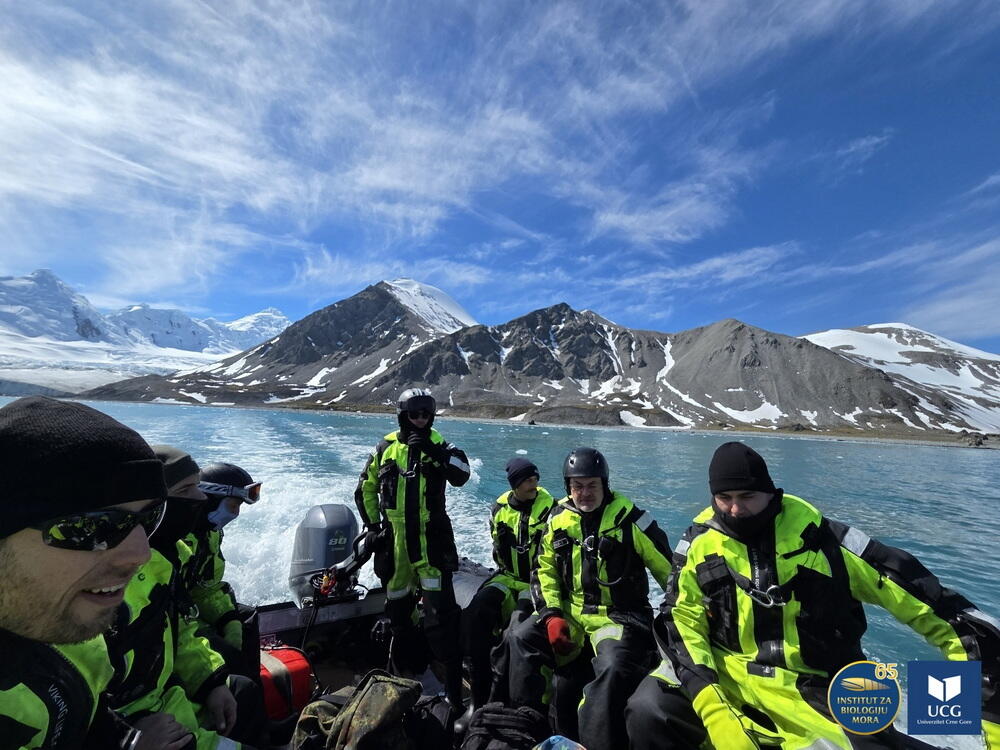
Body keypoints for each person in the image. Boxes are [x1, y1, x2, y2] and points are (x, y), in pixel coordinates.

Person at [625, 441, 1000, 750]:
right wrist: (712, 705)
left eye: (747, 496)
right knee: (647, 709)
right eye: (724, 498)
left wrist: (988, 721)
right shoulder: (698, 544)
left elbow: (947, 619)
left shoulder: (830, 544)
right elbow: (680, 618)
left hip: (821, 687)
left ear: (771, 493)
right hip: (726, 677)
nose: (735, 510)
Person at [0, 396, 193, 749]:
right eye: (91, 528)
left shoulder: (67, 626)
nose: (141, 555)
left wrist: (124, 741)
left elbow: (80, 713)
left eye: (149, 518)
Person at [503, 447, 673, 750]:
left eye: (592, 485)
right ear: (568, 488)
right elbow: (544, 571)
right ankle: (526, 723)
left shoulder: (631, 520)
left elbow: (670, 573)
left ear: (604, 484)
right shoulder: (558, 519)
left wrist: (678, 619)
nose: (584, 493)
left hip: (619, 616)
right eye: (577, 486)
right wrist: (552, 614)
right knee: (521, 636)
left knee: (611, 666)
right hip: (570, 612)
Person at [106, 445, 262, 749]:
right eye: (189, 489)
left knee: (243, 680)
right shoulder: (107, 584)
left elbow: (197, 597)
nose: (200, 498)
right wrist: (123, 738)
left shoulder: (171, 555)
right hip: (144, 723)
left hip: (169, 696)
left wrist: (212, 681)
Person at [354, 388, 471, 712]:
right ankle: (407, 675)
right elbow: (365, 488)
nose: (420, 420)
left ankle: (452, 693)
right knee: (398, 613)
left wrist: (434, 451)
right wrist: (375, 527)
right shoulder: (385, 447)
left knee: (442, 618)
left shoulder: (443, 446)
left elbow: (462, 474)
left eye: (426, 414)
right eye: (414, 414)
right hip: (396, 545)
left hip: (431, 543)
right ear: (403, 415)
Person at [461, 457, 555, 709]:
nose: (533, 485)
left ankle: (521, 702)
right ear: (515, 484)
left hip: (534, 583)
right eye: (528, 481)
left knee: (517, 631)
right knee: (475, 614)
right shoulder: (499, 509)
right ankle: (479, 699)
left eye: (535, 479)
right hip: (506, 577)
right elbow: (496, 549)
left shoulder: (552, 510)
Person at [188, 462, 263, 678]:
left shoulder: (210, 533)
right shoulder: (177, 538)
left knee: (246, 617)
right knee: (229, 656)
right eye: (233, 506)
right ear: (211, 500)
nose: (235, 514)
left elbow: (207, 588)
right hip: (177, 623)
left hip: (195, 609)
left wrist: (227, 619)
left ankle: (250, 682)